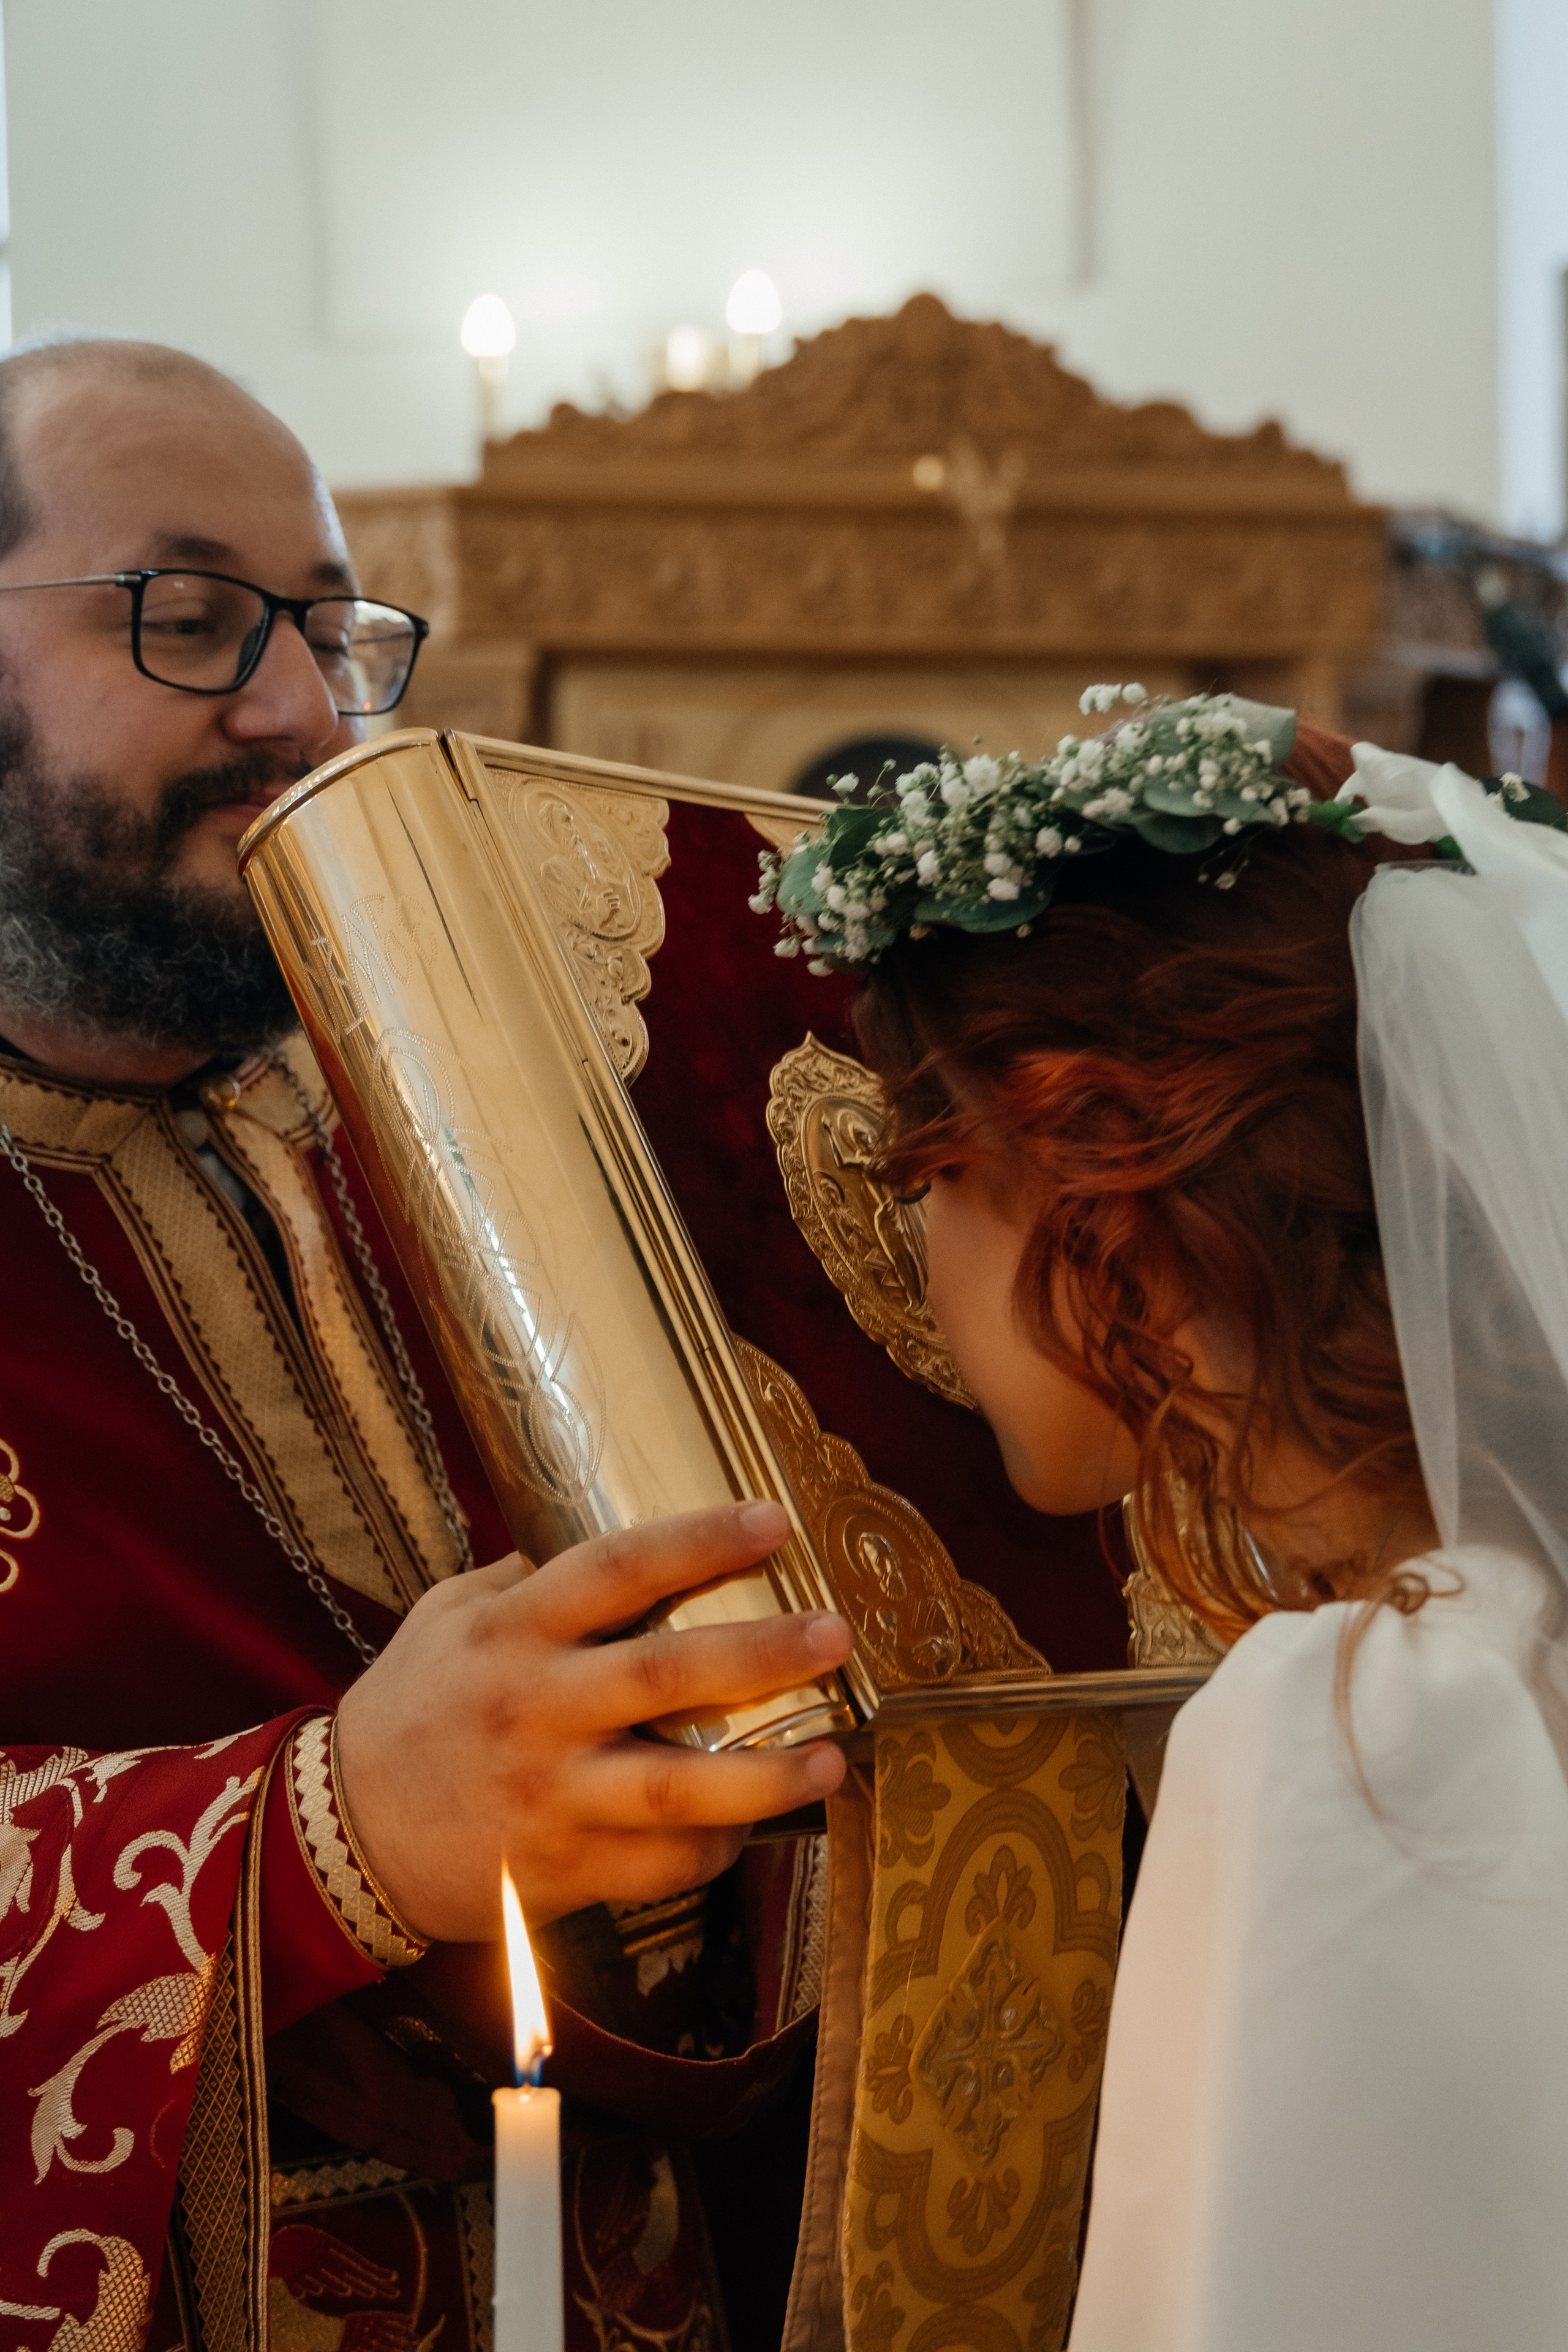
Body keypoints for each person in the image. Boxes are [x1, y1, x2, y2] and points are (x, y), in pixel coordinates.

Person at [0, 337, 850, 2347]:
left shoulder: (479, 1122)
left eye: (330, 630)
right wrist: (329, 1836)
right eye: (193, 622)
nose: (301, 713)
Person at [758, 689, 1568, 2347]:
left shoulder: (1357, 1729)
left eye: (932, 1184)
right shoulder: (1512, 1633)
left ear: (1109, 1198)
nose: (914, 1270)